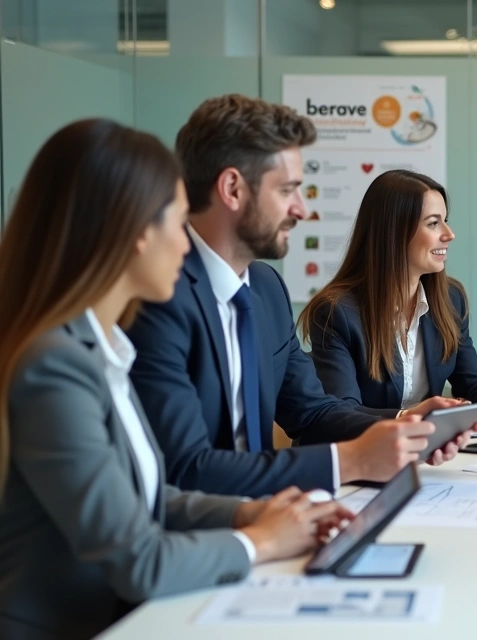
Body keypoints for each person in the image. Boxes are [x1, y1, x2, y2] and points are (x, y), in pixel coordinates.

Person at [0, 119, 355, 640]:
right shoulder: (56, 367)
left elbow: (148, 498)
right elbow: (139, 560)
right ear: (134, 233)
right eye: (176, 218)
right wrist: (261, 542)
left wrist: (253, 512)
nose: (186, 242)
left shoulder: (100, 347)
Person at [126, 95, 473, 498]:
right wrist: (353, 460)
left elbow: (312, 411)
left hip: (267, 510)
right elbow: (185, 469)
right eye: (288, 190)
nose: (302, 209)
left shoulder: (266, 288)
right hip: (202, 522)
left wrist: (406, 427)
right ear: (233, 189)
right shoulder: (156, 297)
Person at [300, 170, 477, 422]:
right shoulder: (336, 311)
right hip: (364, 444)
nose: (449, 234)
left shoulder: (451, 299)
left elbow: (473, 384)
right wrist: (411, 418)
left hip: (428, 443)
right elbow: (342, 412)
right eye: (433, 223)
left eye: (445, 220)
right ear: (394, 231)